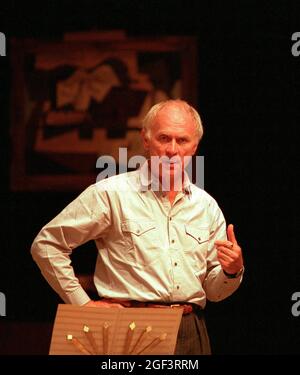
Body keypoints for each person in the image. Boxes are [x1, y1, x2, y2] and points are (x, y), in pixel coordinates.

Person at [31, 99, 244, 355]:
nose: (172, 150)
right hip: (129, 327)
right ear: (146, 139)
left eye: (182, 140)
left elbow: (214, 291)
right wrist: (83, 304)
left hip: (190, 331)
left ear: (195, 145)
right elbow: (46, 245)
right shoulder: (112, 194)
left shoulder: (206, 206)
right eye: (164, 138)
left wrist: (232, 271)